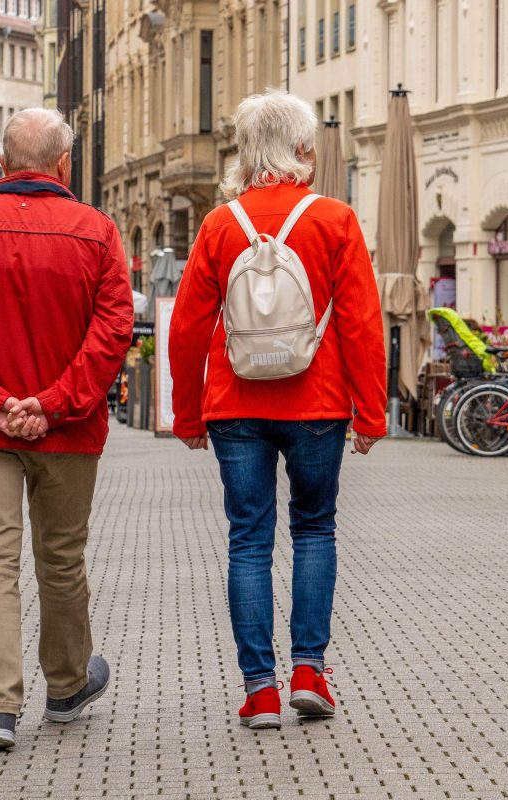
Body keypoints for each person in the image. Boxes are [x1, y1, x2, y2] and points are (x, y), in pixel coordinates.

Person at [169, 90, 387, 731]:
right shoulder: (335, 220)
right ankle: (310, 672)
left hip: (235, 403)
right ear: (300, 150)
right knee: (315, 529)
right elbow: (361, 325)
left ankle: (259, 690)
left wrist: (187, 415)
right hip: (318, 402)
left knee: (248, 540)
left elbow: (186, 328)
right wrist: (370, 415)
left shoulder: (219, 224)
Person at [0, 107, 133, 751]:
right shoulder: (96, 231)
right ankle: (66, 686)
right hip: (66, 428)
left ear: (2, 163)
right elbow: (113, 328)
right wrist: (52, 402)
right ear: (63, 165)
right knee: (61, 559)